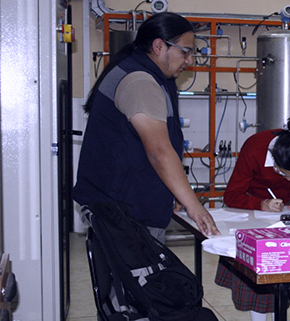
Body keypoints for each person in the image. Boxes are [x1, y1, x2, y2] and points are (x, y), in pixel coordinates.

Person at [73, 12, 220, 242]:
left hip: (125, 208)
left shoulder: (150, 74)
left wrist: (177, 191)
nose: (190, 60)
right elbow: (158, 152)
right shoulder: (140, 81)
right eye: (185, 51)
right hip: (123, 213)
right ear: (159, 46)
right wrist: (194, 205)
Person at [216, 117, 290, 321]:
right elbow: (231, 195)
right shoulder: (255, 146)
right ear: (273, 159)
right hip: (252, 203)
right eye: (281, 173)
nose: (289, 180)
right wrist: (260, 204)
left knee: (286, 267)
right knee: (256, 270)